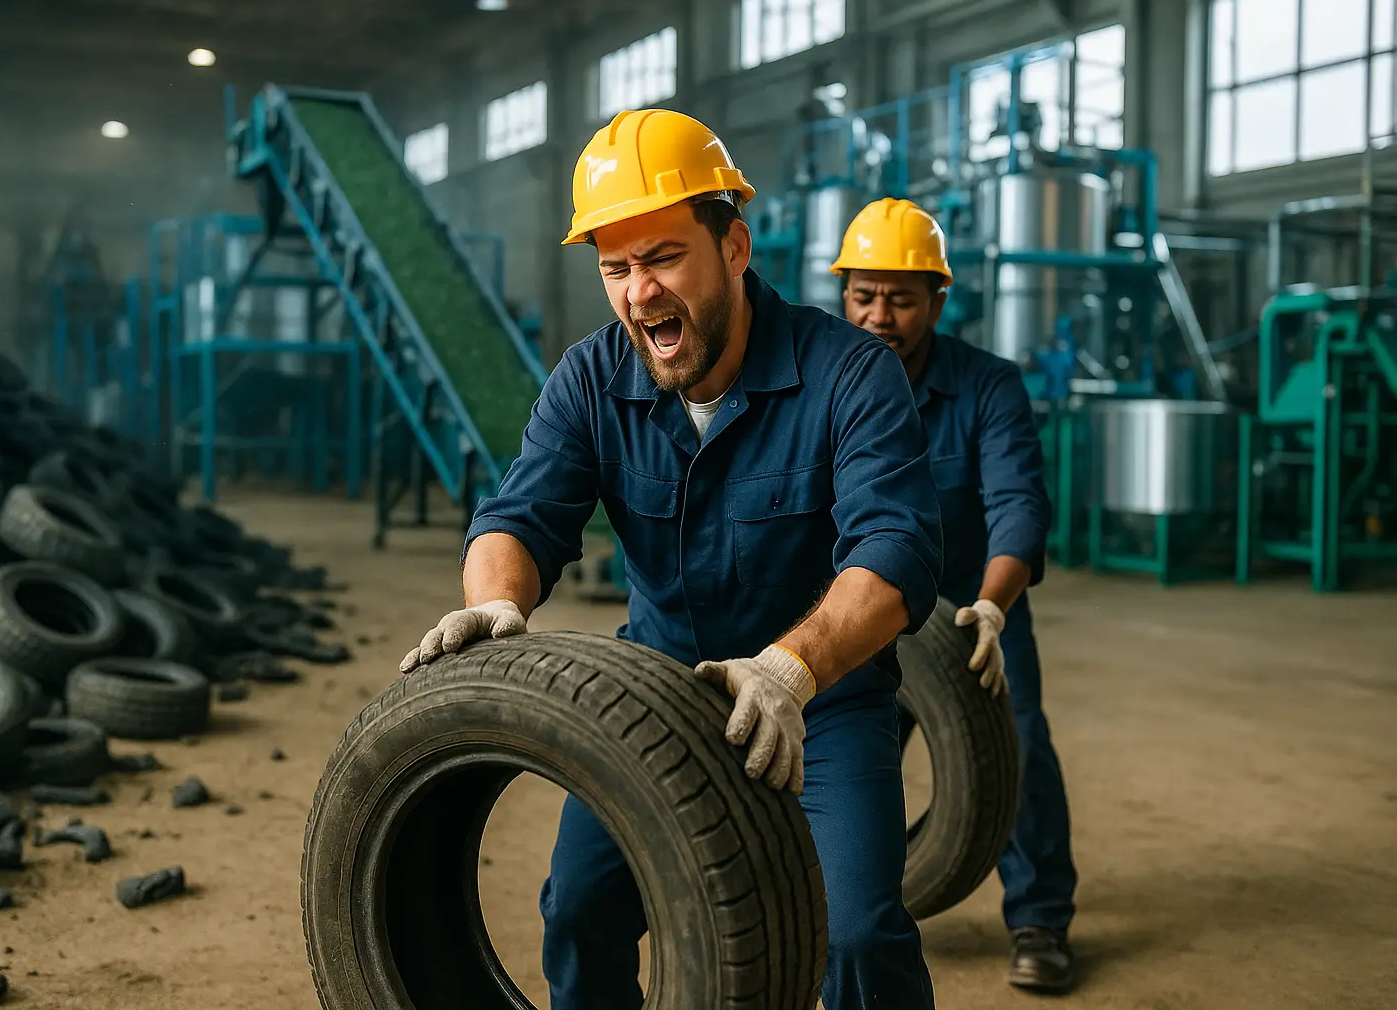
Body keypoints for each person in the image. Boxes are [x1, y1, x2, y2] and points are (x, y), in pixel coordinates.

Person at [400, 109, 944, 1010]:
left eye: (661, 258)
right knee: (577, 911)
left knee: (854, 935)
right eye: (615, 268)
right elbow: (520, 515)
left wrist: (791, 669)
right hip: (654, 695)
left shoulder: (850, 373)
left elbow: (895, 552)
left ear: (733, 246)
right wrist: (496, 602)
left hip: (821, 702)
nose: (639, 294)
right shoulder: (590, 378)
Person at [831, 197, 1078, 993]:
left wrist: (997, 606)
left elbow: (1018, 507)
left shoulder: (987, 388)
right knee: (835, 760)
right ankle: (842, 905)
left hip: (972, 616)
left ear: (938, 300)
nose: (880, 316)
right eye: (864, 295)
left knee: (1020, 748)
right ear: (845, 295)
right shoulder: (827, 377)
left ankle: (1039, 918)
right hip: (860, 615)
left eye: (901, 298)